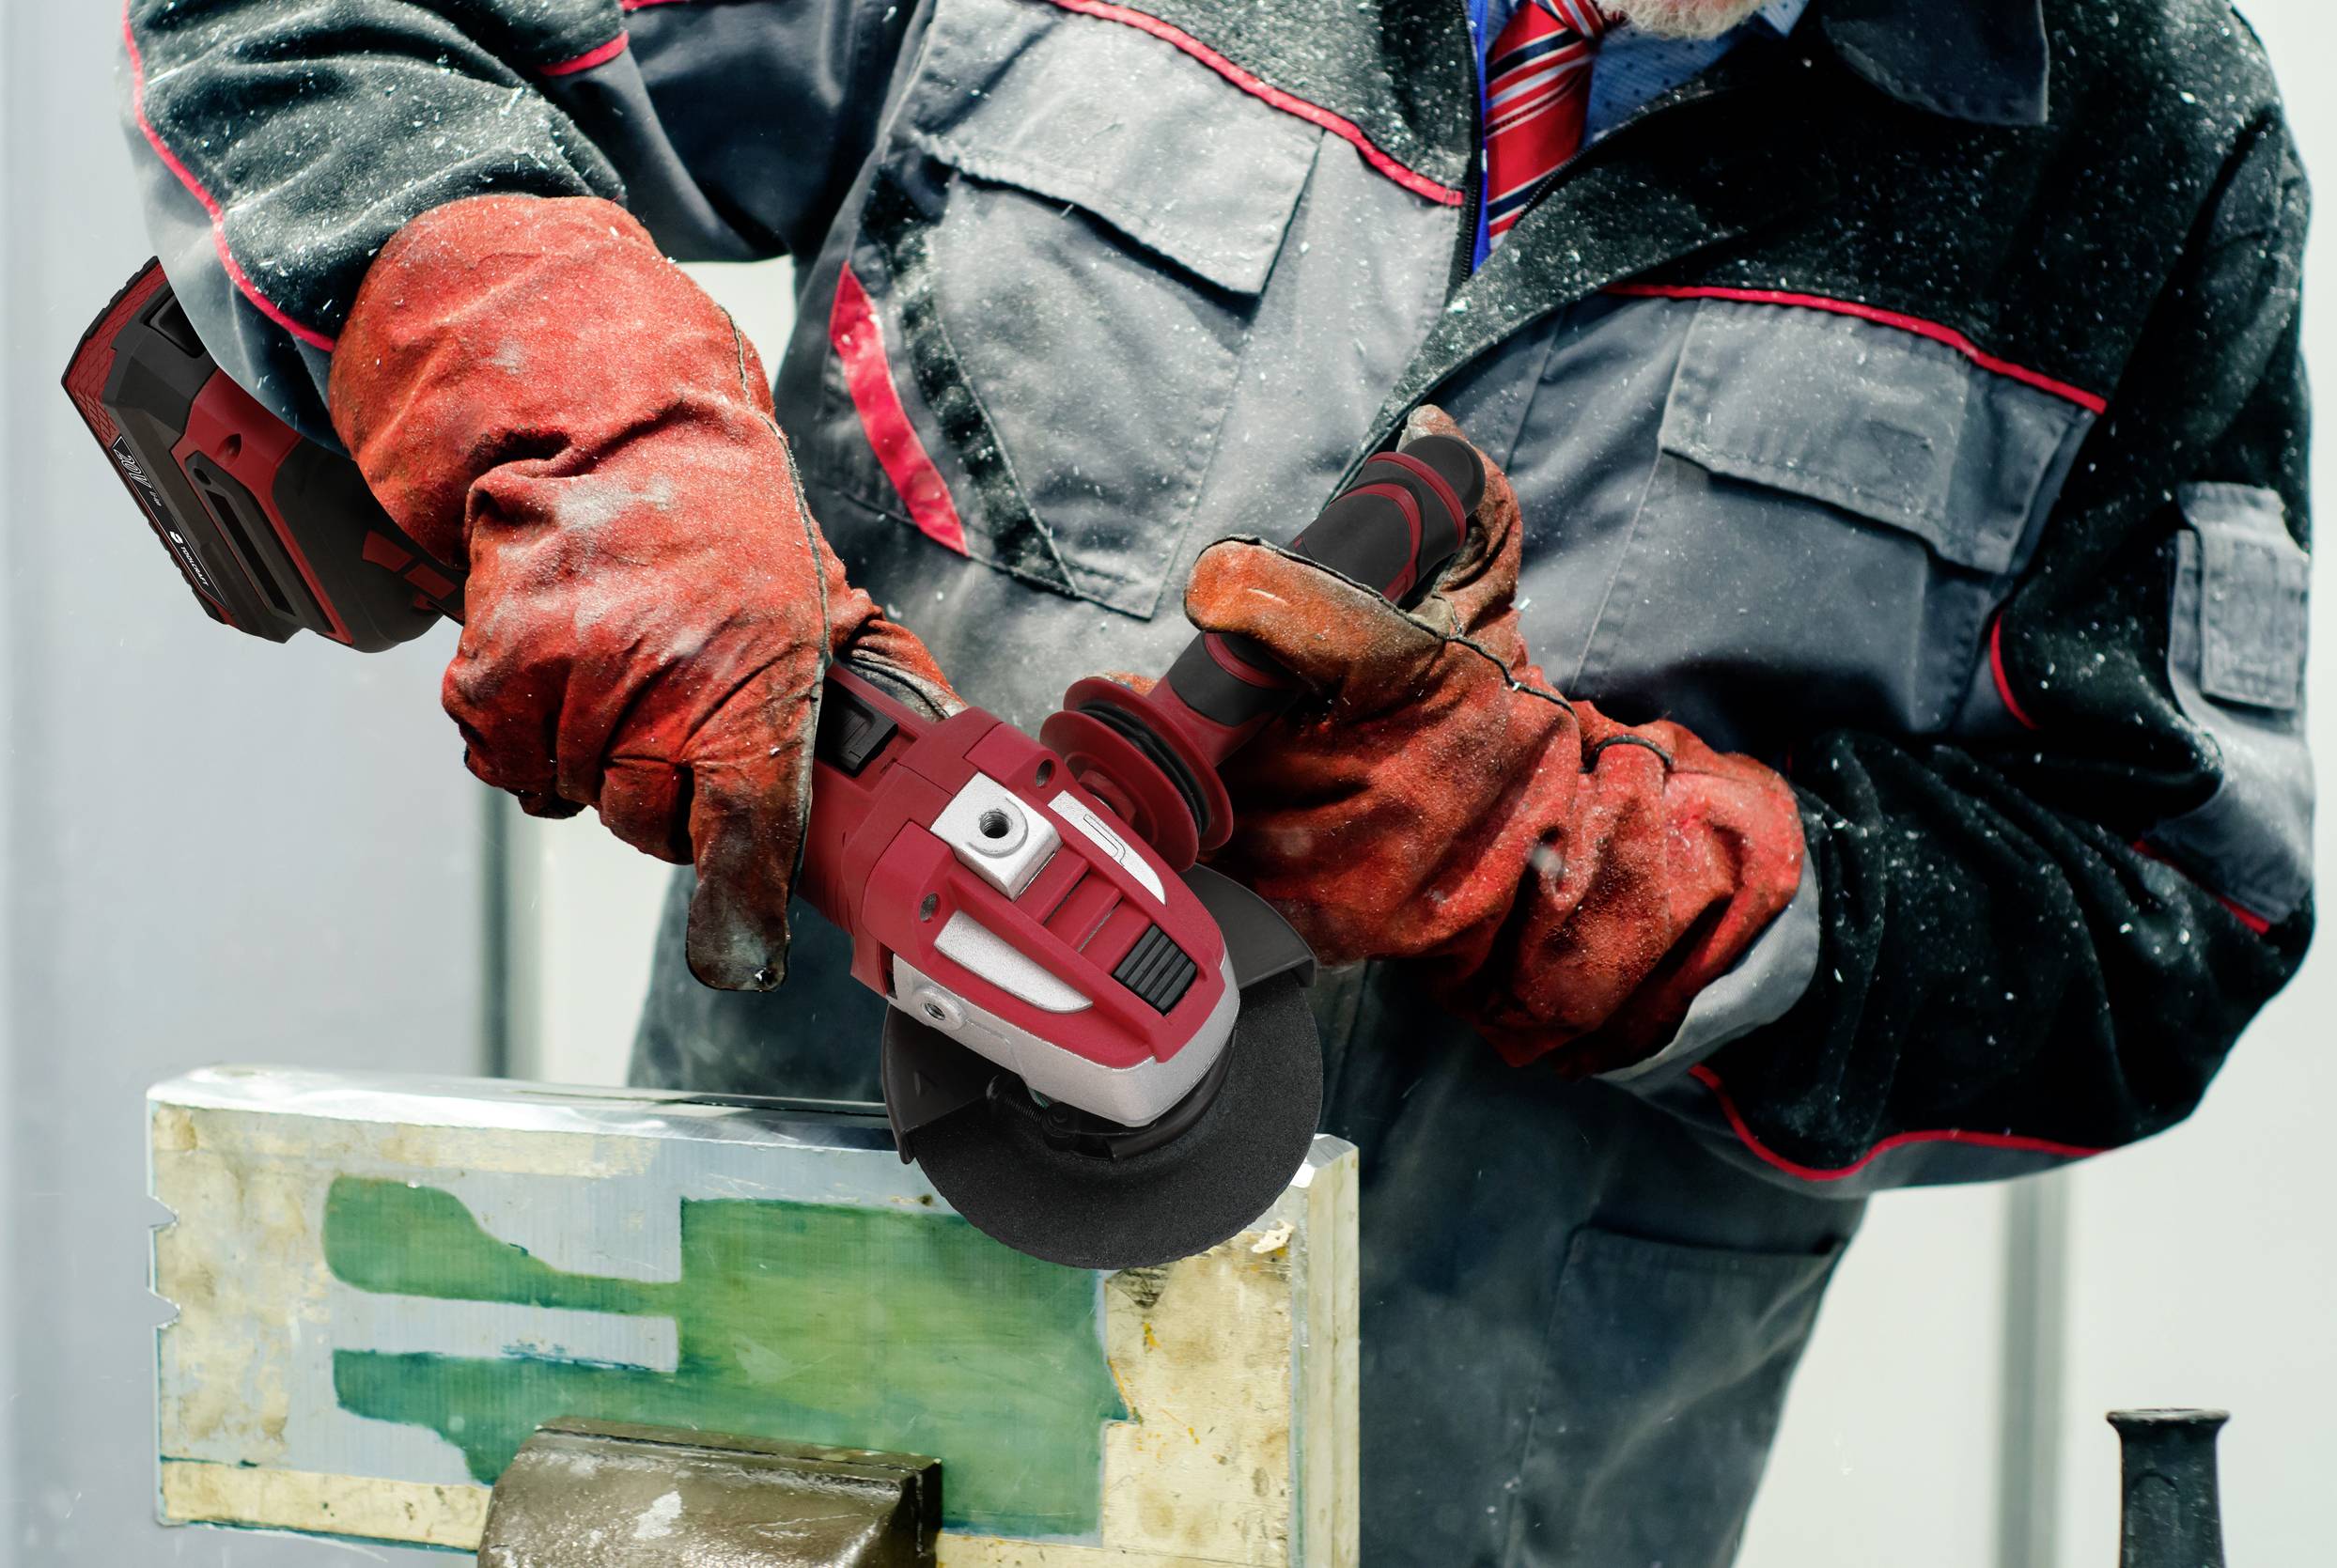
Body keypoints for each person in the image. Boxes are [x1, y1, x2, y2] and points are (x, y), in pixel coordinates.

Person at [121, 0, 2312, 1560]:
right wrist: (583, 424)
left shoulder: (2136, 140)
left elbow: (2157, 926)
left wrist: (1611, 877)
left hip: (1494, 1506)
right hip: (765, 1470)